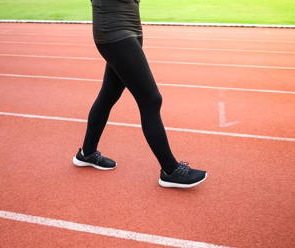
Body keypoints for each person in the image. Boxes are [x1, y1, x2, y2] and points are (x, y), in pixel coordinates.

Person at [73, 0, 207, 188]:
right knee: (151, 100)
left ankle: (87, 153)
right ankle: (170, 170)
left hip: (131, 29)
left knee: (108, 95)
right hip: (114, 32)